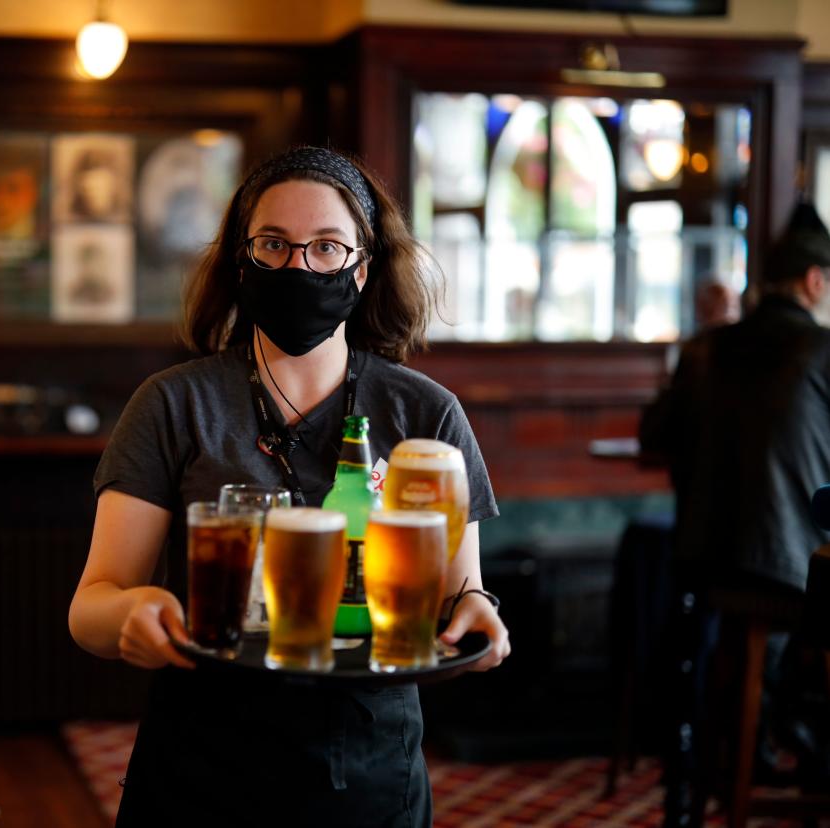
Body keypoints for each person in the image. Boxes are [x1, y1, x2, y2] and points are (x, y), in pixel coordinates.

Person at [68, 146, 510, 827]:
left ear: (362, 268)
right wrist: (134, 614)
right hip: (201, 772)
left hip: (370, 774)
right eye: (274, 244)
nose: (297, 266)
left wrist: (478, 611)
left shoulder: (425, 414)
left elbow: (460, 591)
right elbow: (91, 606)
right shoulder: (172, 404)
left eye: (326, 247)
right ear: (240, 260)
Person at [640, 202, 830, 824]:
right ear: (815, 282)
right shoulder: (822, 350)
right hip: (796, 576)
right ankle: (795, 742)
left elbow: (654, 438)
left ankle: (748, 749)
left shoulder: (706, 350)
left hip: (703, 566)